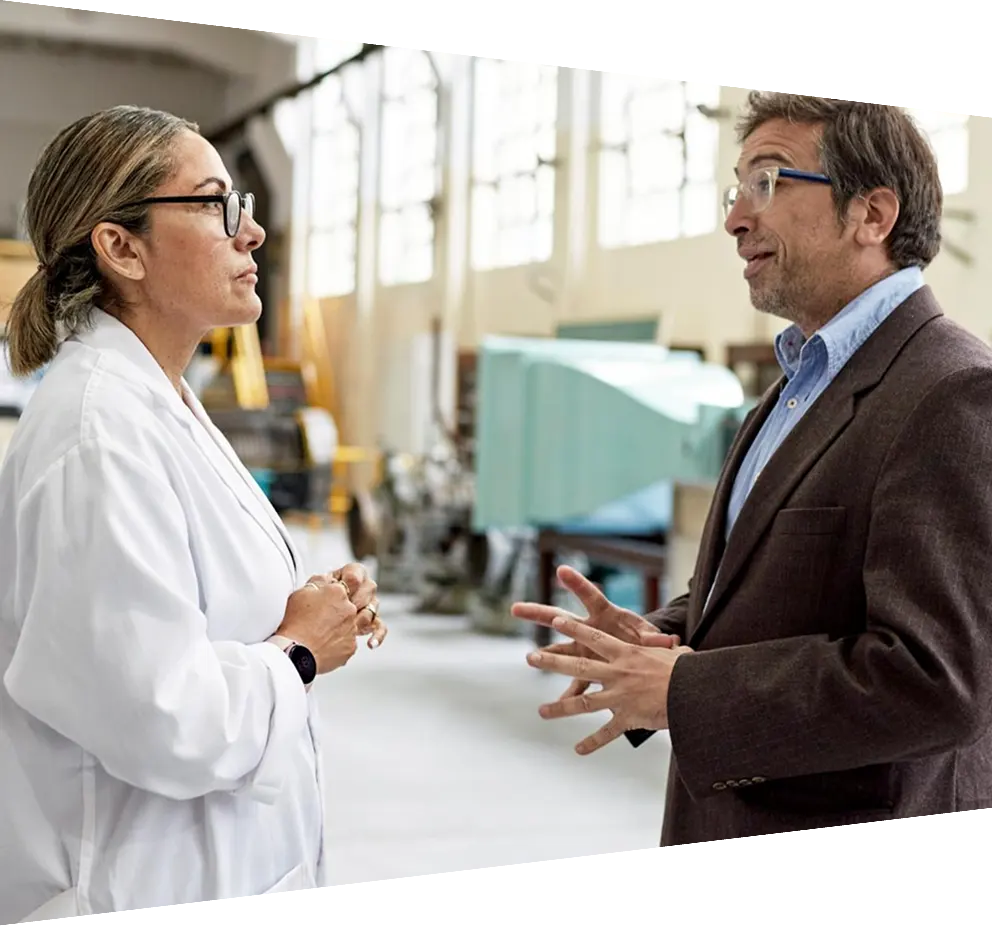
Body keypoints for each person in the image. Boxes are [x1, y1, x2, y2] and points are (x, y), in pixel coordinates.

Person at [513, 91, 992, 846]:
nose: (736, 218)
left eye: (767, 182)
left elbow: (937, 682)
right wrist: (654, 640)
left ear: (872, 215)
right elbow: (765, 590)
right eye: (735, 190)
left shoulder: (952, 391)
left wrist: (685, 692)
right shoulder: (797, 386)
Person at [0, 105, 387, 923]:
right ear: (122, 248)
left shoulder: (160, 403)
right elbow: (162, 719)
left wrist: (311, 606)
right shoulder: (98, 435)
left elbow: (191, 616)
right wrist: (299, 652)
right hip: (137, 896)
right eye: (215, 205)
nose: (252, 233)